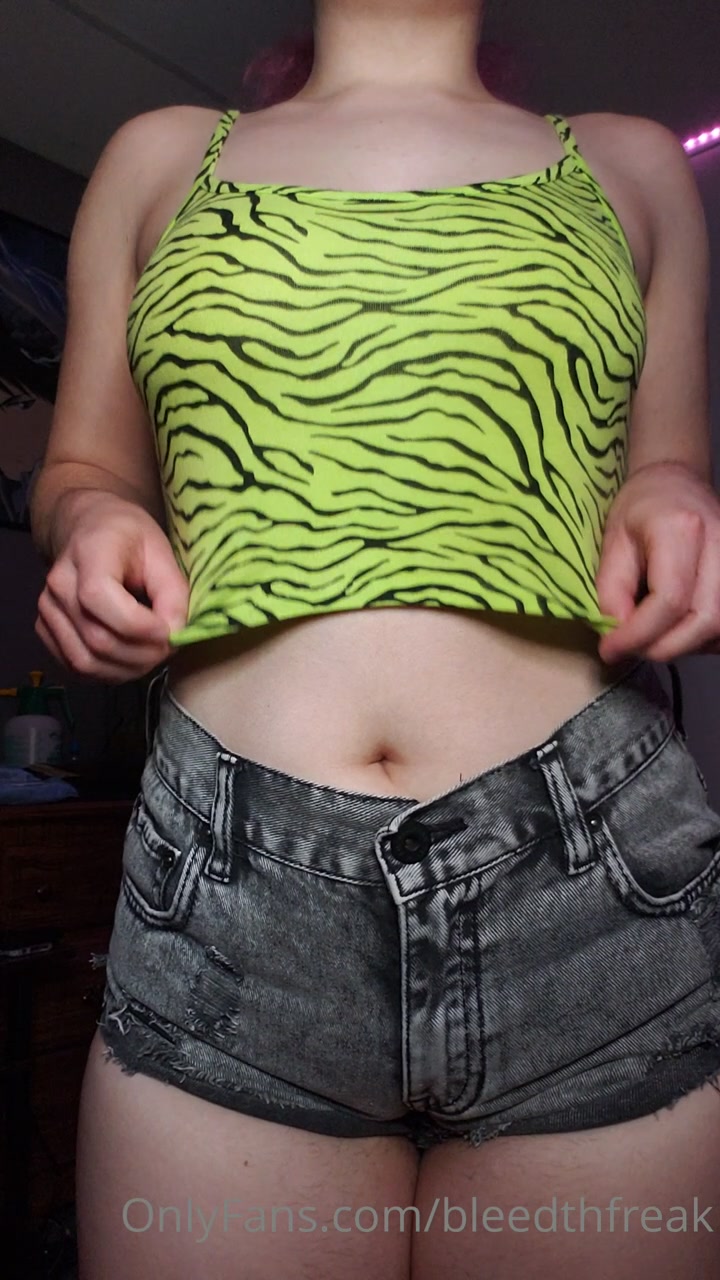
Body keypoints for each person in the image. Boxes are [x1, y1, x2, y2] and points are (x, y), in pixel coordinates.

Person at [29, 1, 720, 1277]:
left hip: (593, 888)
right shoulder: (161, 157)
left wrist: (676, 496)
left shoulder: (631, 167)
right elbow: (81, 466)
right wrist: (88, 517)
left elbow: (667, 467)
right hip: (231, 904)